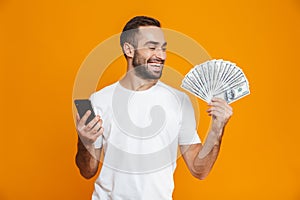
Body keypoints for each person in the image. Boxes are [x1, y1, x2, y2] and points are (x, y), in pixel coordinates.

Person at [75, 16, 233, 200]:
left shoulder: (179, 101)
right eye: (152, 47)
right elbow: (87, 171)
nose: (161, 55)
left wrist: (217, 129)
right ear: (129, 49)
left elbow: (200, 170)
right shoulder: (99, 100)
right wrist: (84, 141)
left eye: (163, 48)